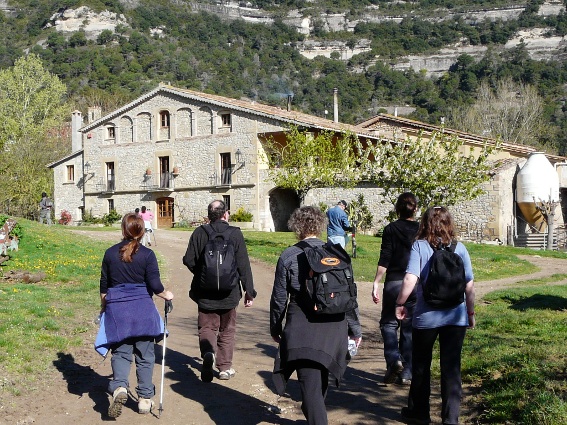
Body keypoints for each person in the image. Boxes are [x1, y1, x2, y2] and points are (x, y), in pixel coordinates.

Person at [270, 206, 362, 425]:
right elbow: (349, 295)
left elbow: (279, 298)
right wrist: (355, 329)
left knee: (311, 388)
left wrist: (275, 327)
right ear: (321, 226)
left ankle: (316, 418)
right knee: (316, 385)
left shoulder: (289, 255)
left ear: (296, 227)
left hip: (304, 328)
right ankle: (315, 414)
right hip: (335, 327)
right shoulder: (338, 255)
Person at [395, 206, 475, 425]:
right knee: (451, 367)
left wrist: (400, 303)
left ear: (425, 223)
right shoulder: (460, 248)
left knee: (421, 365)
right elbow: (469, 284)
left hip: (426, 317)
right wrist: (470, 312)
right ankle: (451, 419)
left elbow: (410, 279)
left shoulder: (420, 246)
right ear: (449, 222)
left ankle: (419, 413)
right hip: (456, 316)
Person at [99, 213, 174, 418]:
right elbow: (156, 286)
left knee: (121, 353)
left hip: (118, 311)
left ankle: (120, 387)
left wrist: (104, 308)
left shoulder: (109, 253)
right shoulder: (148, 255)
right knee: (145, 356)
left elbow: (104, 288)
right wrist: (167, 295)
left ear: (123, 230)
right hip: (142, 310)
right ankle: (144, 399)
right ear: (142, 231)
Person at [182, 200, 256, 382]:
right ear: (226, 214)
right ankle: (224, 368)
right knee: (227, 329)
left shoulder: (200, 232)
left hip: (205, 292)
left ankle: (208, 352)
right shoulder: (235, 234)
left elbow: (188, 259)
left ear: (208, 215)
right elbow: (243, 264)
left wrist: (201, 274)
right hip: (229, 292)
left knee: (206, 326)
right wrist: (249, 290)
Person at [372, 192, 419, 385]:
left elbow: (386, 257)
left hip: (394, 283)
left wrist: (376, 281)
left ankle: (393, 359)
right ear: (415, 209)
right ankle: (407, 372)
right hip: (415, 283)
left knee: (389, 324)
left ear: (396, 209)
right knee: (408, 327)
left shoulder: (390, 229)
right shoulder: (421, 230)